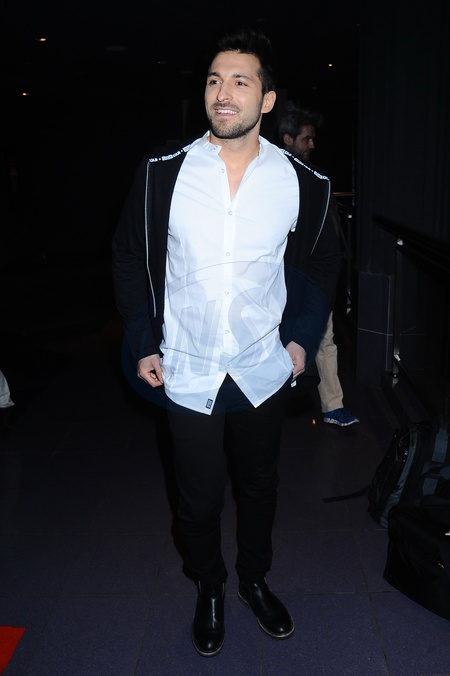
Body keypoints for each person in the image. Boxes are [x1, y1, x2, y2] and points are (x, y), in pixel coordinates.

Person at [112, 25, 341, 657]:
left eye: (241, 81)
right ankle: (209, 585)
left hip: (264, 367)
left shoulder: (302, 183)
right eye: (215, 79)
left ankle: (253, 580)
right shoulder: (164, 174)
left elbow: (323, 263)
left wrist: (301, 341)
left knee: (260, 488)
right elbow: (129, 255)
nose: (223, 93)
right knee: (197, 499)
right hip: (186, 368)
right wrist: (142, 338)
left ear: (266, 99)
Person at [279, 103, 359, 427]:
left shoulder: (317, 181)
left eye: (313, 138)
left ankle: (332, 406)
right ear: (288, 139)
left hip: (316, 279)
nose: (312, 144)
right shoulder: (273, 179)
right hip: (282, 281)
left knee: (325, 337)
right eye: (306, 139)